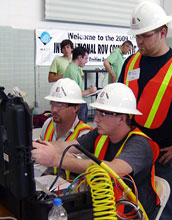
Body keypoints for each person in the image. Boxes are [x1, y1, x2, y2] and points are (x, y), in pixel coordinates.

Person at [32, 83, 160, 219]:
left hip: (129, 213)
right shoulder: (100, 134)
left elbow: (112, 169)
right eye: (97, 112)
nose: (96, 119)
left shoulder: (139, 145)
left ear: (122, 118)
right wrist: (34, 145)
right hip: (104, 205)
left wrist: (55, 159)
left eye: (103, 113)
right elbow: (68, 145)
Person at [118, 2, 172, 219]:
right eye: (136, 36)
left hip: (164, 160)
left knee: (162, 212)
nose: (138, 41)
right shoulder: (130, 63)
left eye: (145, 36)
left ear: (163, 32)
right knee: (131, 209)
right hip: (132, 154)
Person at [64, 46, 97, 123]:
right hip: (77, 105)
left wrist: (88, 91)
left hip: (80, 103)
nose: (86, 61)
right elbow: (75, 93)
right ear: (79, 57)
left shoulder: (76, 69)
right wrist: (90, 91)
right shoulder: (72, 71)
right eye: (85, 58)